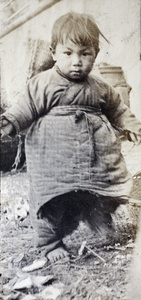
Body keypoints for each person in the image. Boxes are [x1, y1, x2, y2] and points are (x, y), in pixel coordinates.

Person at [1, 12, 141, 263]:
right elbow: (26, 107)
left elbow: (117, 108)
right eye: (68, 53)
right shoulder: (42, 83)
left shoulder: (100, 86)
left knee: (104, 190)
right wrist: (10, 121)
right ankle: (50, 243)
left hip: (94, 153)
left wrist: (130, 125)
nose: (77, 61)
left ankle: (97, 215)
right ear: (54, 52)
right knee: (53, 201)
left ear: (95, 54)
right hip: (54, 157)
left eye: (85, 53)